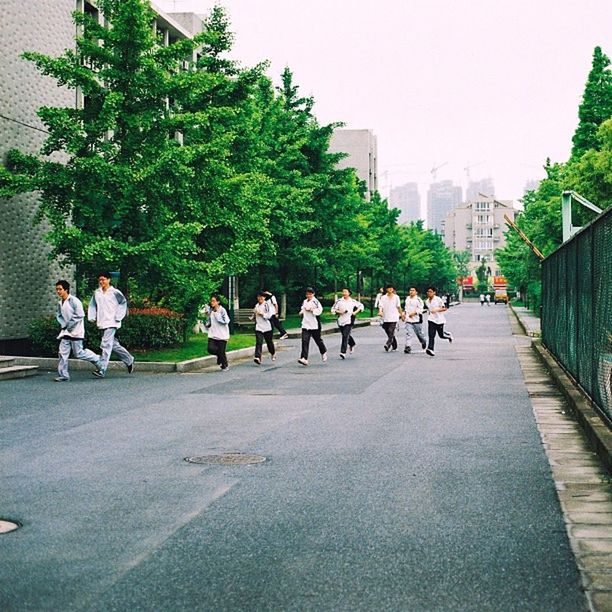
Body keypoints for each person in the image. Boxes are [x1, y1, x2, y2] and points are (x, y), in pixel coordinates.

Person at [87, 272, 134, 378]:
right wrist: (92, 317)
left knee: (105, 345)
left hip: (112, 322)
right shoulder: (97, 293)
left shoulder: (115, 292)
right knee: (113, 345)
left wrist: (118, 317)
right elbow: (92, 305)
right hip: (102, 322)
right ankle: (129, 359)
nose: (101, 281)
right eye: (100, 279)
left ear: (109, 280)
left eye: (103, 279)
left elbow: (123, 303)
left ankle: (102, 369)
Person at [53, 280, 101, 381]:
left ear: (66, 289)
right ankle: (64, 375)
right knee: (62, 353)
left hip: (76, 332)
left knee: (79, 353)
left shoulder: (74, 301)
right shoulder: (59, 303)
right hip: (66, 332)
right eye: (57, 289)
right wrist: (64, 325)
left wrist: (69, 325)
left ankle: (97, 359)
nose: (58, 291)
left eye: (60, 289)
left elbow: (80, 314)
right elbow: (59, 315)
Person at [331, 288, 364, 359]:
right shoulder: (339, 301)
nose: (344, 293)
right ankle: (352, 343)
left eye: (345, 292)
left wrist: (355, 312)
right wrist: (340, 312)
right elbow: (333, 309)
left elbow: (361, 306)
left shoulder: (352, 301)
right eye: (343, 292)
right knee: (345, 334)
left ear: (349, 293)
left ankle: (343, 352)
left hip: (349, 320)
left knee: (345, 335)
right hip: (341, 320)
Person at [297, 287, 327, 366]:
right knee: (304, 341)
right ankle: (304, 358)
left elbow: (320, 310)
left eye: (310, 294)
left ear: (313, 294)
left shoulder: (315, 301)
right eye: (307, 294)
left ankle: (323, 352)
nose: (308, 295)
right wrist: (301, 312)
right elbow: (303, 309)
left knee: (318, 340)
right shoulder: (304, 301)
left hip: (314, 325)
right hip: (306, 324)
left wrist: (312, 310)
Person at [425, 285, 453, 356]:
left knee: (441, 335)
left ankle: (448, 336)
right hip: (431, 320)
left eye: (430, 292)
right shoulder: (427, 301)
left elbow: (445, 308)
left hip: (439, 320)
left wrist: (436, 310)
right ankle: (430, 349)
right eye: (428, 292)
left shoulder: (438, 300)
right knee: (431, 335)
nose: (429, 293)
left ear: (434, 292)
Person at [205, 295, 230, 370]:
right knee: (210, 349)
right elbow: (208, 322)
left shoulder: (222, 310)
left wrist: (216, 314)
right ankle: (220, 356)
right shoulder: (210, 310)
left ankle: (225, 364)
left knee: (221, 352)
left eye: (213, 301)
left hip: (222, 335)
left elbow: (225, 321)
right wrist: (207, 318)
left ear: (218, 302)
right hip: (212, 334)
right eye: (211, 301)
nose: (211, 302)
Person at [253, 292, 276, 365]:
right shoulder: (256, 305)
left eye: (261, 297)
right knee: (259, 342)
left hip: (267, 327)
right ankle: (258, 357)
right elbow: (255, 314)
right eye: (258, 297)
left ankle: (272, 353)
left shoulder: (267, 305)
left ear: (264, 297)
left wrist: (262, 314)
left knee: (269, 342)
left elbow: (269, 316)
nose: (260, 298)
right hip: (259, 327)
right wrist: (253, 317)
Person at [378, 284, 403, 352]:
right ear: (386, 289)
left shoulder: (396, 297)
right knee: (388, 331)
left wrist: (402, 315)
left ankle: (388, 344)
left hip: (394, 317)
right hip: (386, 317)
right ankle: (394, 345)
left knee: (391, 330)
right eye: (389, 288)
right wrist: (380, 312)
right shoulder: (383, 297)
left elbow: (398, 307)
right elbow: (380, 306)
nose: (390, 289)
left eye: (392, 288)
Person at [403, 286, 427, 354]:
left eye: (413, 290)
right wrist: (404, 314)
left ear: (416, 292)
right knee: (408, 333)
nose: (411, 291)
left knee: (419, 334)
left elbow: (421, 309)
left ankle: (423, 341)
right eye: (410, 290)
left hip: (417, 320)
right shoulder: (407, 298)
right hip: (408, 320)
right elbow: (406, 308)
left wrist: (414, 313)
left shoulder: (418, 300)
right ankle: (408, 346)